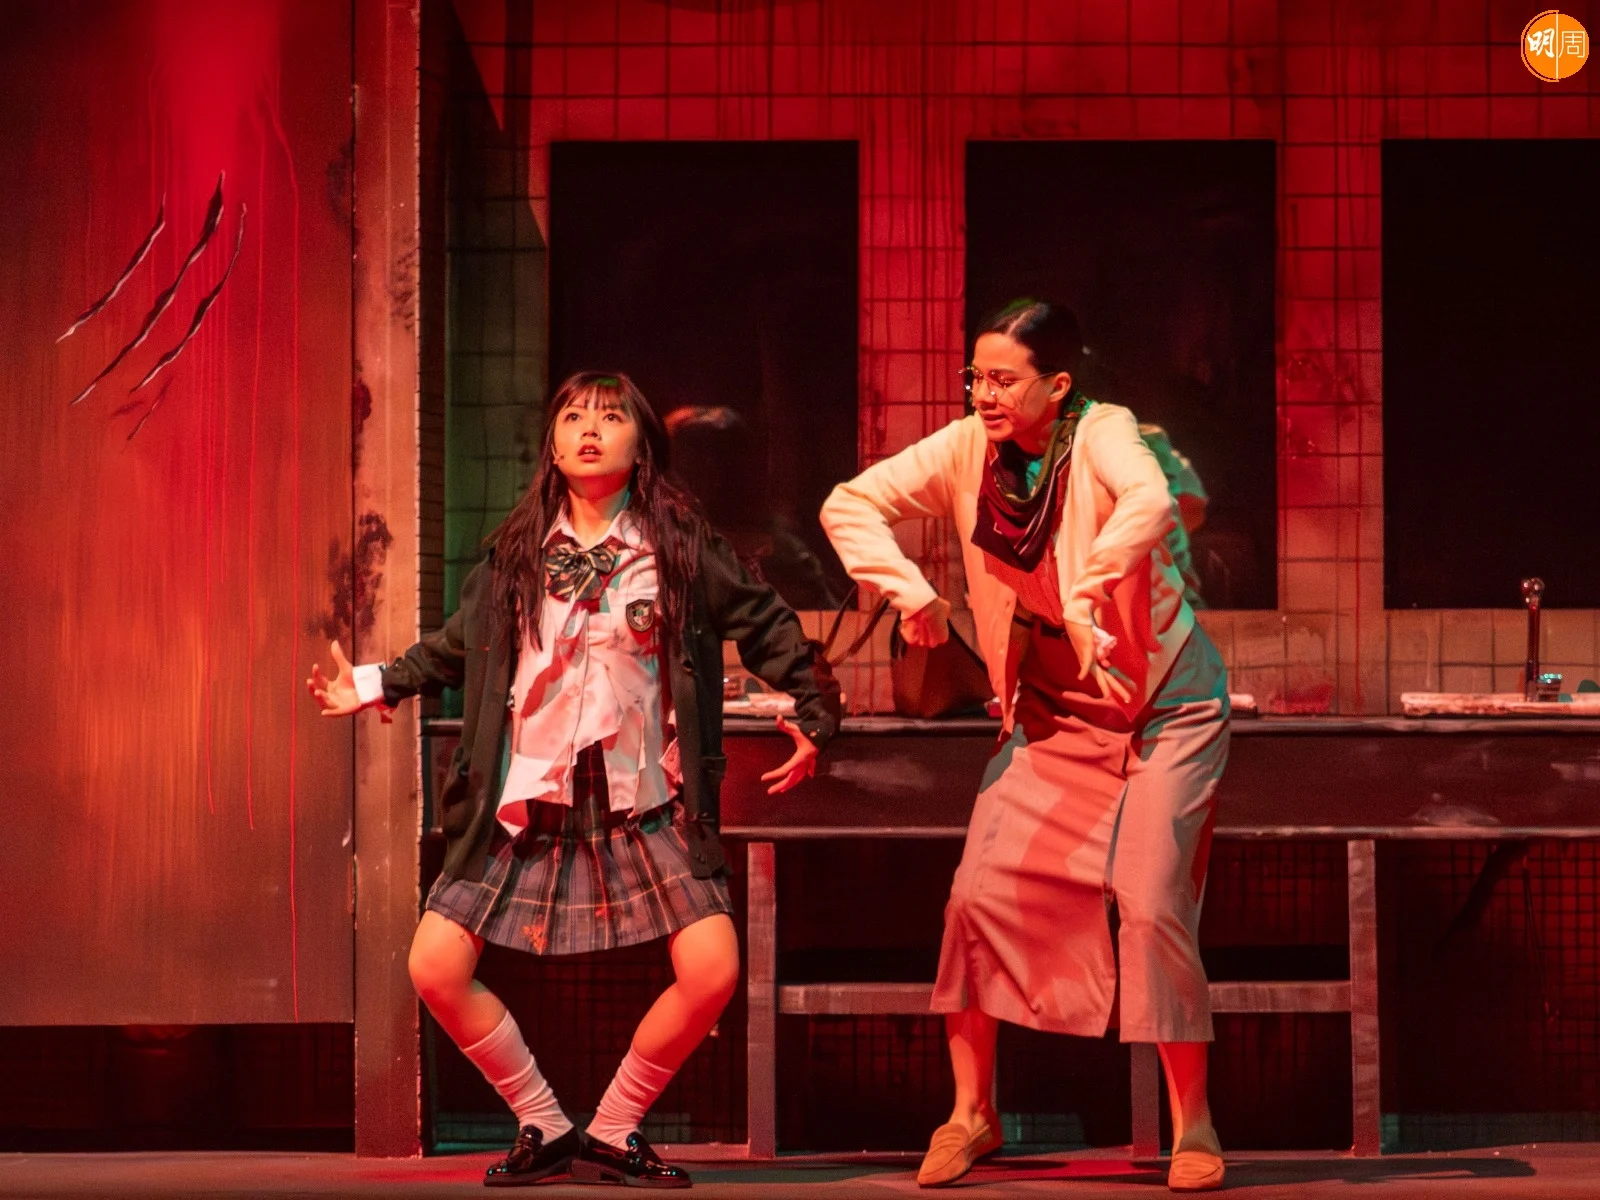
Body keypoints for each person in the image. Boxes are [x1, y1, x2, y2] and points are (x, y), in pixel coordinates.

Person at [309, 371, 841, 1188]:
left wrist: (812, 708)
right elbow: (457, 645)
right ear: (553, 446)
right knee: (435, 968)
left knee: (712, 970)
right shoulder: (518, 553)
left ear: (642, 446)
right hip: (532, 794)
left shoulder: (677, 547)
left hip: (642, 797)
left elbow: (764, 620)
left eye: (611, 416)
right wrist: (377, 682)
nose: (590, 428)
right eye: (573, 416)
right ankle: (546, 1124)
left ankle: (616, 1128)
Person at [820, 301, 1230, 1193]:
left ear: (1058, 384)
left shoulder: (1106, 431)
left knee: (1153, 902)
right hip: (1049, 711)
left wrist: (1086, 592)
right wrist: (910, 593)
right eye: (976, 376)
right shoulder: (968, 448)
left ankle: (1193, 1122)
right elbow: (849, 503)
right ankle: (972, 1113)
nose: (984, 393)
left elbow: (1154, 499)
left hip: (1161, 705)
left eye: (1004, 379)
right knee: (975, 896)